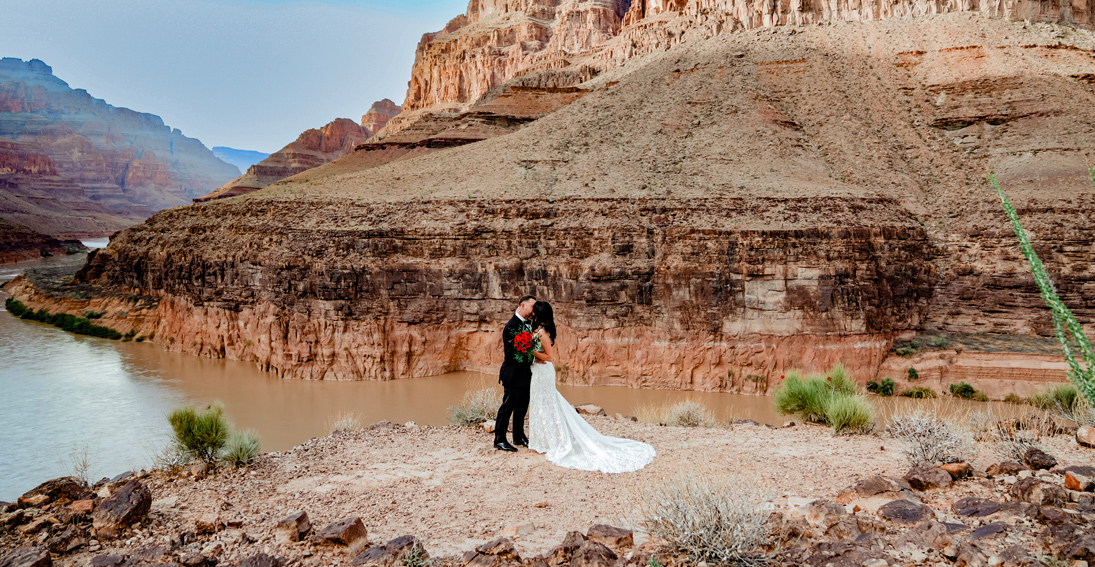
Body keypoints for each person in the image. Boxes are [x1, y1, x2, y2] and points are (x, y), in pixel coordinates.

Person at [526, 301, 655, 473]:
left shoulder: (543, 334)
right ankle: (542, 440)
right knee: (539, 403)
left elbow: (550, 357)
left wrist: (529, 350)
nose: (532, 314)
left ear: (539, 314)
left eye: (534, 312)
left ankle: (553, 440)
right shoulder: (535, 330)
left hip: (544, 373)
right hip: (537, 371)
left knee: (547, 403)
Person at [494, 295, 537, 452]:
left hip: (525, 374)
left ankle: (519, 437)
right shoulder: (511, 326)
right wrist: (532, 357)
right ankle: (499, 439)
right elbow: (512, 354)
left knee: (522, 407)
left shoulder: (528, 324)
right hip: (513, 373)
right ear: (523, 306)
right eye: (533, 306)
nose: (534, 310)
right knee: (507, 407)